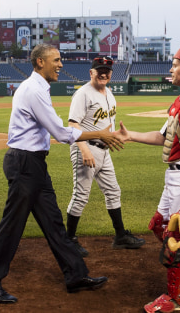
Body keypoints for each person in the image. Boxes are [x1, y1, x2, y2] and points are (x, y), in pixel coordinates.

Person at [0, 44, 124, 304]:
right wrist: (99, 133)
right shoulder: (33, 90)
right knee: (12, 226)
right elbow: (61, 133)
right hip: (24, 163)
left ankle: (76, 275)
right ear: (39, 63)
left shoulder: (38, 88)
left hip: (33, 164)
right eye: (55, 60)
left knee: (54, 224)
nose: (60, 64)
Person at [116, 46, 180, 312]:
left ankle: (177, 297)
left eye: (175, 65)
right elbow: (165, 138)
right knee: (159, 225)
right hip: (177, 176)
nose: (170, 69)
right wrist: (131, 136)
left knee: (176, 237)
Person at [66, 56, 145, 257]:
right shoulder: (83, 94)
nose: (104, 73)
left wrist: (113, 137)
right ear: (91, 72)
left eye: (107, 71)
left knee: (113, 191)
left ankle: (120, 236)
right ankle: (68, 241)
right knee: (81, 195)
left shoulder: (109, 92)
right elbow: (73, 125)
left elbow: (105, 126)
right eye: (99, 70)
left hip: (104, 150)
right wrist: (84, 150)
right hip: (86, 149)